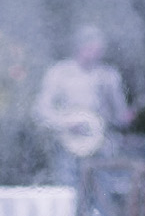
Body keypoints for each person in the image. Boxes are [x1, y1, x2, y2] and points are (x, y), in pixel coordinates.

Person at [33, 25, 134, 188]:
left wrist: (125, 117)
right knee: (68, 193)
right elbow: (41, 110)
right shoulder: (59, 73)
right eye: (90, 47)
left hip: (101, 148)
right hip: (68, 148)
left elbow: (120, 117)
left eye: (98, 49)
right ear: (79, 46)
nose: (94, 53)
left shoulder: (109, 76)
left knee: (103, 196)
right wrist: (65, 123)